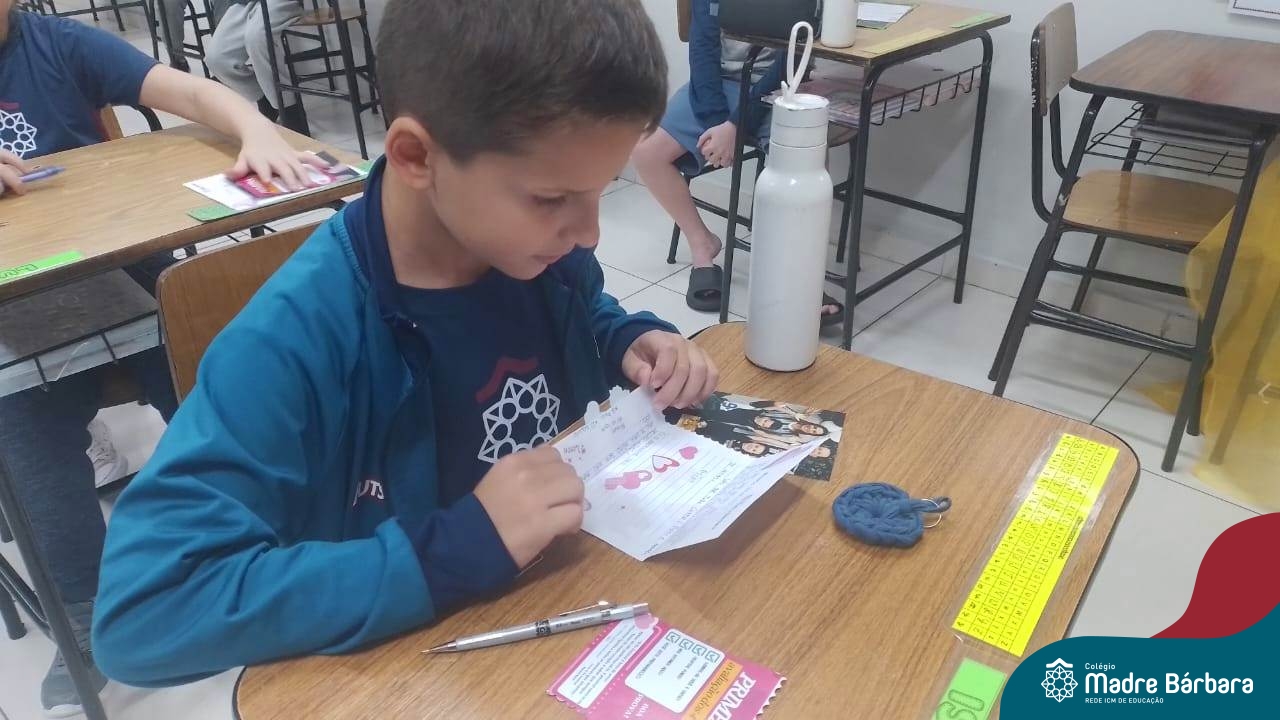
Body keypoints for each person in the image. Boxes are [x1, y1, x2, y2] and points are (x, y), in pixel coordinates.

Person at [92, 0, 718, 687]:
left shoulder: (539, 257)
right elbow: (143, 616)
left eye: (602, 190)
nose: (589, 233)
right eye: (551, 198)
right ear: (417, 156)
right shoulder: (294, 338)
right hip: (424, 669)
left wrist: (622, 336)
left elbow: (583, 306)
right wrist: (454, 549)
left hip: (576, 612)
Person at [0, 2, 319, 713]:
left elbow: (192, 93)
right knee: (25, 428)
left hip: (120, 268)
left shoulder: (56, 44)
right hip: (18, 304)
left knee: (215, 373)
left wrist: (256, 130)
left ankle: (261, 538)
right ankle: (83, 606)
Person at [630, 0, 844, 323]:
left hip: (780, 87)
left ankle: (801, 279)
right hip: (717, 87)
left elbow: (795, 54)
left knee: (807, 163)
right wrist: (717, 121)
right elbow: (702, 47)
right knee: (646, 151)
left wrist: (736, 125)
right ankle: (702, 244)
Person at [203, 0, 309, 134]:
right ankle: (264, 97)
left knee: (258, 37)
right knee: (216, 58)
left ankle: (290, 111)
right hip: (243, 3)